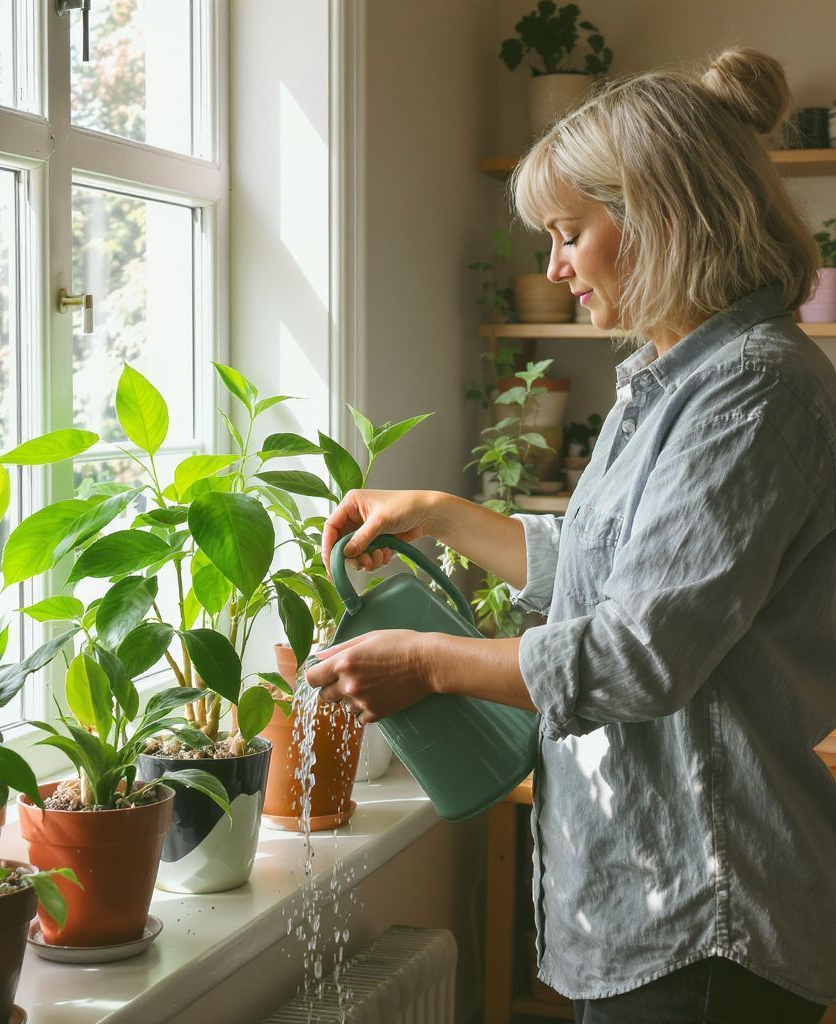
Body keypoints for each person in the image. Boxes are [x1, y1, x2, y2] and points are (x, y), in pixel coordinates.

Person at [305, 48, 836, 1024]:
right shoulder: (671, 376)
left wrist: (427, 662)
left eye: (568, 233)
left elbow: (637, 651)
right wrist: (439, 513)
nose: (551, 268)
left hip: (706, 905)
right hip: (652, 897)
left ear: (661, 219)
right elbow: (609, 575)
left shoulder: (752, 389)